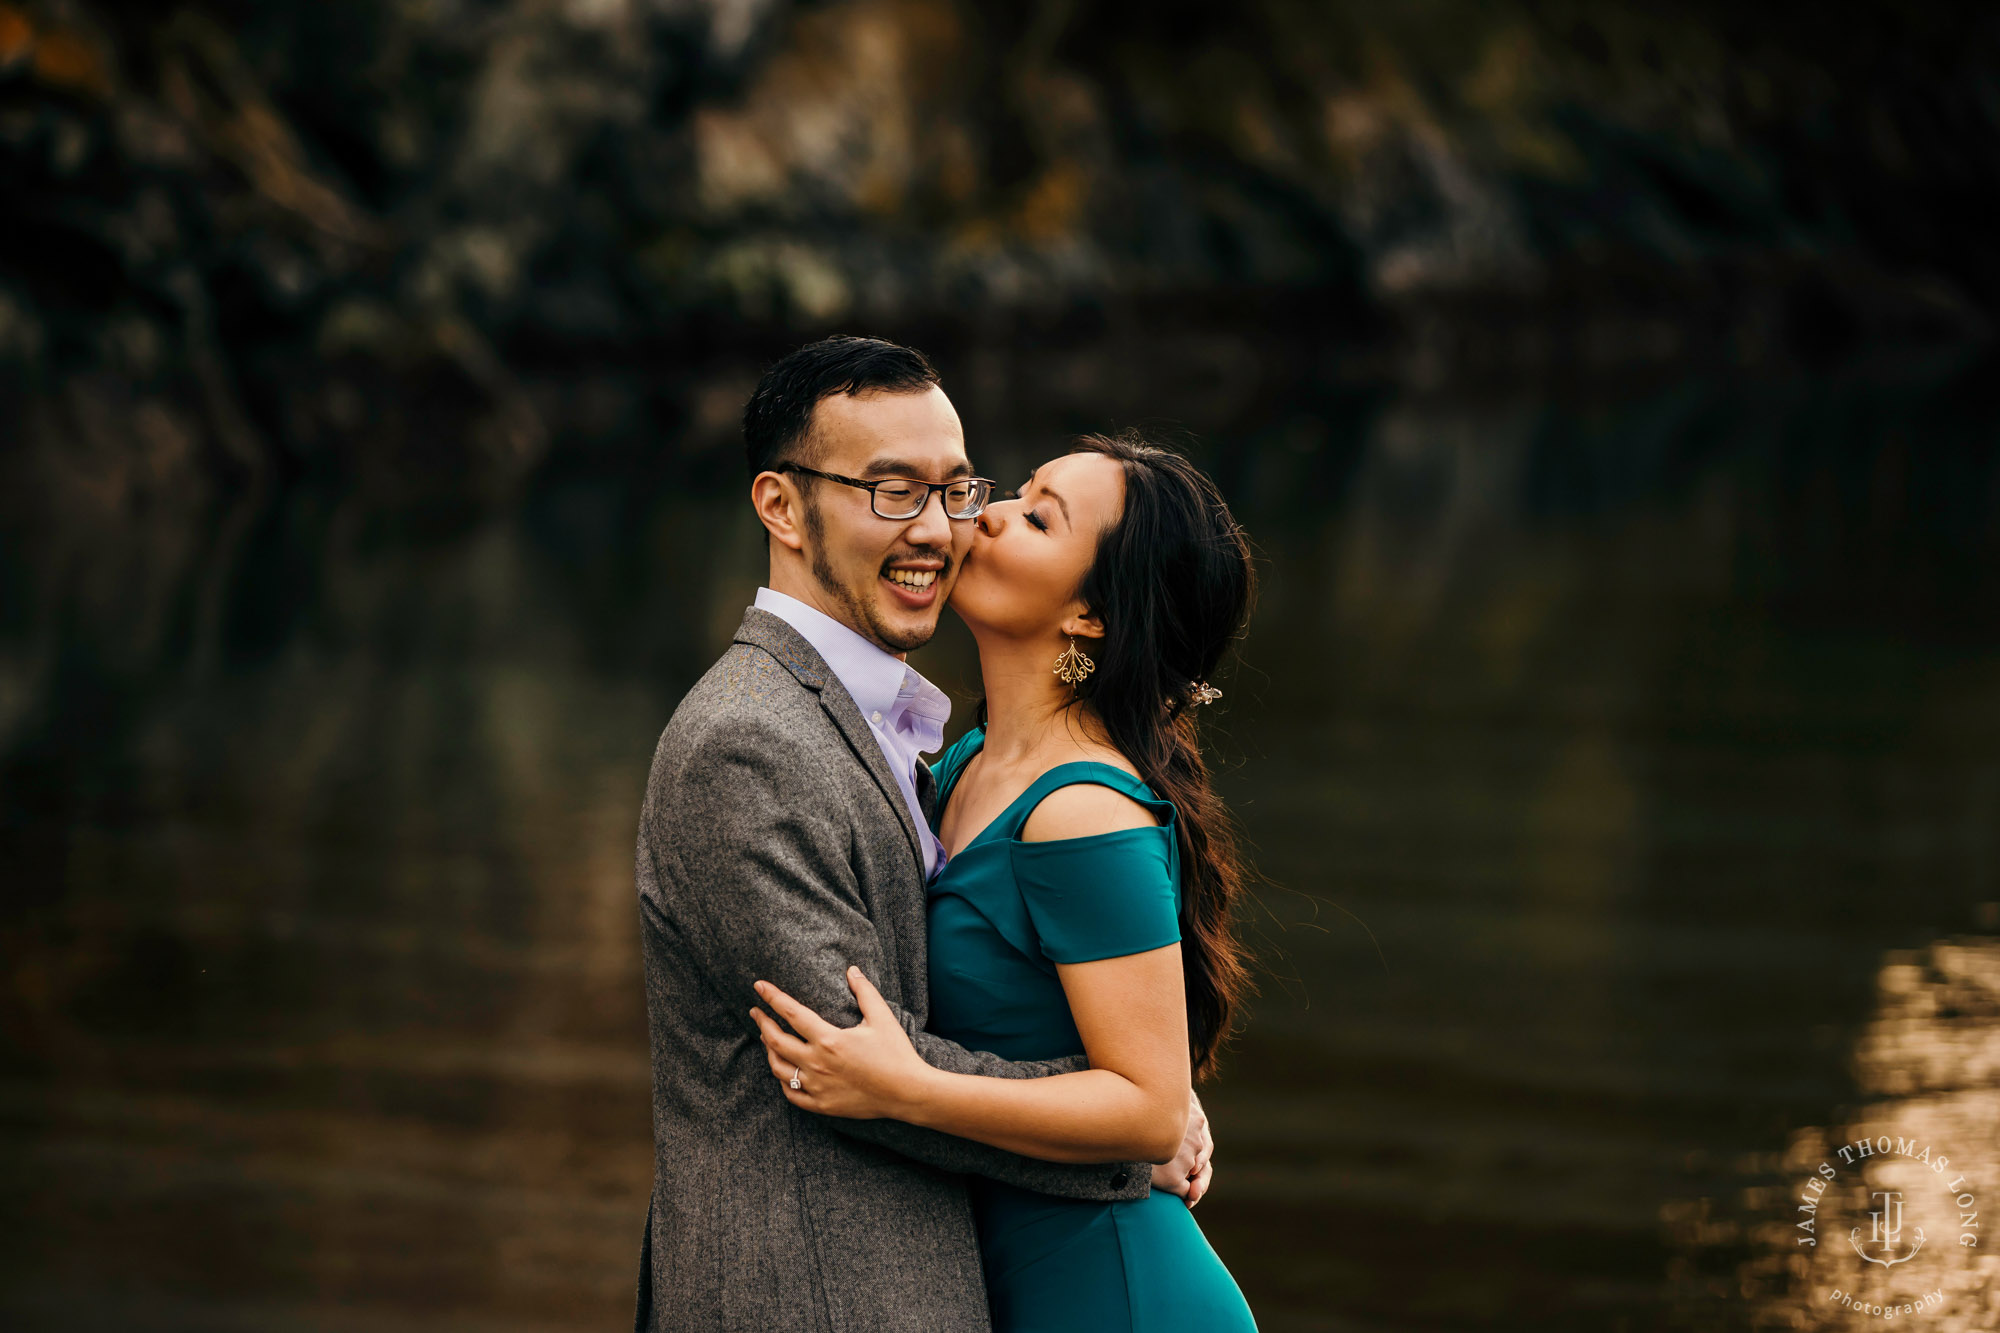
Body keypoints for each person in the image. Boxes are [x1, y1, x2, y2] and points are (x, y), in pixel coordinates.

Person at [632, 336, 1214, 1333]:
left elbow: (936, 1055)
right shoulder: (749, 741)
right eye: (891, 491)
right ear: (779, 505)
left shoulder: (929, 742)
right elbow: (857, 1059)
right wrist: (1126, 1129)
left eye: (954, 489)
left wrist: (1139, 1103)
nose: (950, 527)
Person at [749, 429, 1260, 1331]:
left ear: (1089, 616)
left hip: (1114, 1292)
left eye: (1036, 518)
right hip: (1001, 1280)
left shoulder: (1083, 815)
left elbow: (1147, 1110)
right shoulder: (968, 764)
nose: (982, 515)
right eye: (1015, 491)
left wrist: (907, 1087)